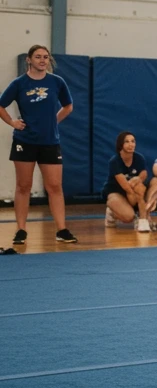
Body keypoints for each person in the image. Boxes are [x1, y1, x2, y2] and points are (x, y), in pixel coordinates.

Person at [0, 44, 76, 244]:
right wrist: (12, 122)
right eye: (38, 57)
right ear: (29, 59)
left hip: (50, 141)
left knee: (55, 186)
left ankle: (61, 229)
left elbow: (68, 106)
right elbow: (1, 105)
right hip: (25, 140)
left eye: (45, 57)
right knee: (23, 186)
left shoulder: (56, 82)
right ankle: (21, 230)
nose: (42, 60)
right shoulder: (19, 84)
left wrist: (54, 122)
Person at [103, 131, 152, 232]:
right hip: (116, 191)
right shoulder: (115, 161)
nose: (131, 144)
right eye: (127, 142)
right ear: (121, 144)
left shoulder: (139, 158)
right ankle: (111, 212)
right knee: (128, 217)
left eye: (133, 141)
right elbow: (126, 186)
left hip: (133, 189)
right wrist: (137, 199)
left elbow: (144, 173)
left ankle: (143, 220)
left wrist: (138, 179)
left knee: (140, 187)